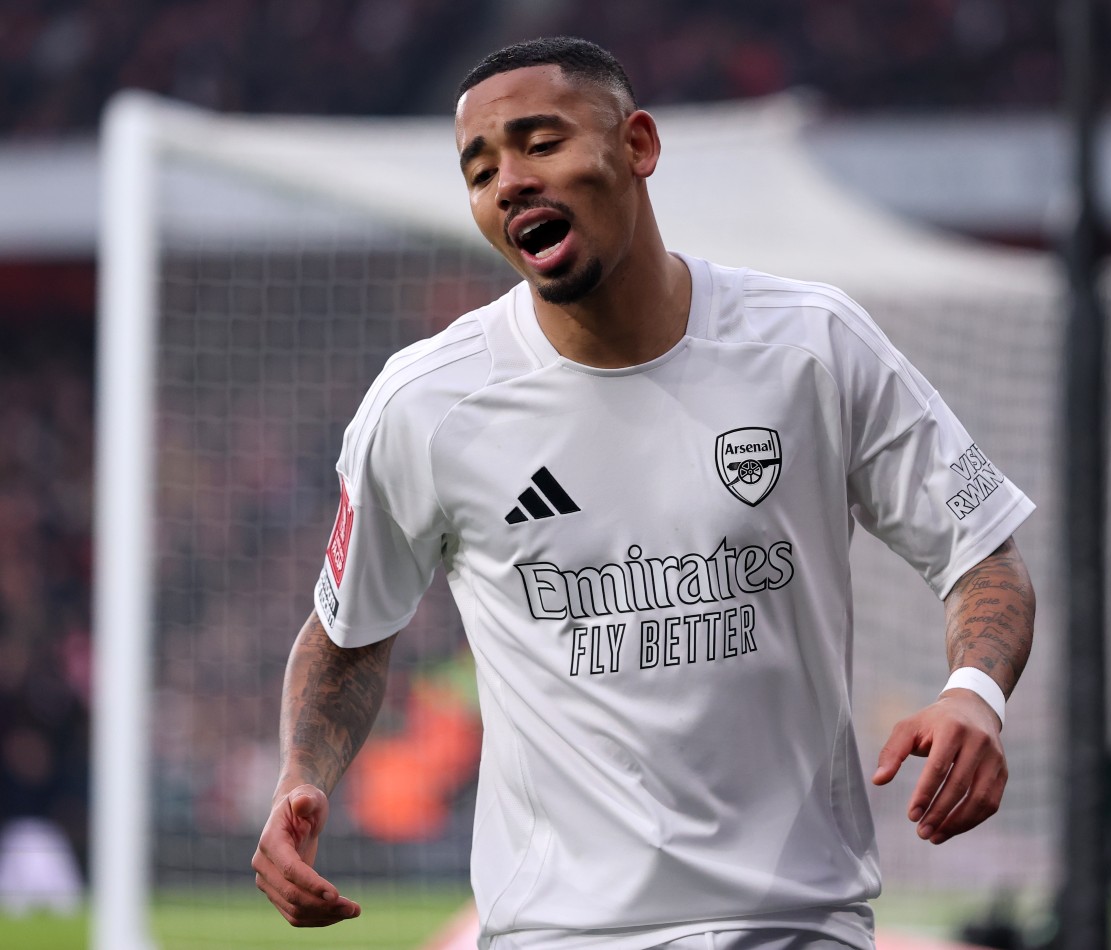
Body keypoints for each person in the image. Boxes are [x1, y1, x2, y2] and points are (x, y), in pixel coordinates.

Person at [252, 35, 1036, 950]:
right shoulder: (427, 403)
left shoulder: (813, 347)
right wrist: (299, 776)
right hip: (559, 935)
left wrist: (974, 692)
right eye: (480, 168)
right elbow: (348, 635)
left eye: (540, 143)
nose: (508, 180)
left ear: (638, 146)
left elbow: (982, 550)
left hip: (792, 924)